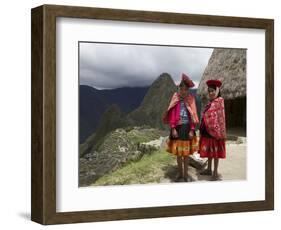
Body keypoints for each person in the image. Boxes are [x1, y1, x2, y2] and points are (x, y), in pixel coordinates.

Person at [162, 73, 199, 182]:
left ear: (188, 90)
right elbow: (172, 114)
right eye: (181, 89)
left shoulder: (191, 100)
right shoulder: (175, 98)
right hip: (177, 129)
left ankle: (186, 174)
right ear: (179, 89)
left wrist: (192, 129)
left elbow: (193, 115)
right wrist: (173, 128)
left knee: (186, 154)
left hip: (187, 128)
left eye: (185, 89)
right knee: (179, 154)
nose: (183, 91)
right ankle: (180, 173)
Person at [198, 79, 226, 181]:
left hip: (215, 133)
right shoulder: (210, 103)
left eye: (212, 91)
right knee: (210, 152)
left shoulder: (219, 102)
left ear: (217, 91)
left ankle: (215, 173)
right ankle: (209, 169)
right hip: (207, 132)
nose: (210, 93)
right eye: (209, 91)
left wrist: (217, 130)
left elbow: (219, 118)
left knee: (215, 153)